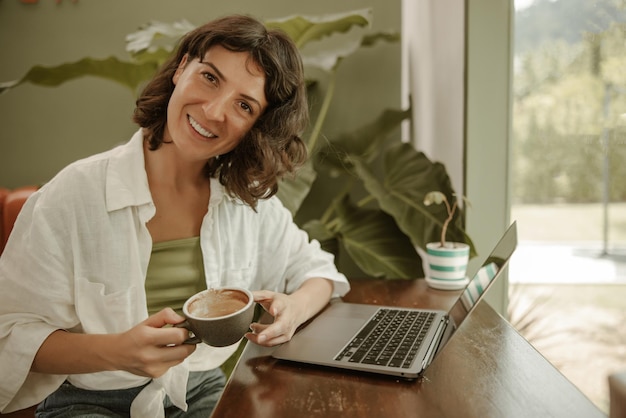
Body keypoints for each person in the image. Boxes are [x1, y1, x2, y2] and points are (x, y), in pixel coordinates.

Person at [0, 14, 349, 417]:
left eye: (244, 105)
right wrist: (117, 352)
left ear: (255, 127)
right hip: (88, 398)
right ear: (182, 67)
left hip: (200, 387)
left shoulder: (244, 204)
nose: (214, 111)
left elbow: (318, 271)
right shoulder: (75, 193)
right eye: (210, 77)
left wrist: (295, 310)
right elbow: (10, 333)